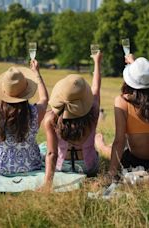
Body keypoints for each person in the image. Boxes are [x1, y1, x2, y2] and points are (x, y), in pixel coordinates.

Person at [95, 54, 149, 178]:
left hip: (138, 161)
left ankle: (102, 146)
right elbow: (147, 84)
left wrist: (111, 173)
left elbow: (119, 141)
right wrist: (137, 67)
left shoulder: (122, 102)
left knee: (116, 147)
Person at [41, 52, 103, 190]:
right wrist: (97, 63)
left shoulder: (51, 118)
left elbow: (52, 153)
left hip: (61, 167)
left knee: (44, 148)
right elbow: (96, 89)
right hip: (89, 167)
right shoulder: (93, 111)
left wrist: (47, 184)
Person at [0, 60, 48, 175]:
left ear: (4, 91)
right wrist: (37, 73)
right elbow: (44, 99)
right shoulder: (36, 112)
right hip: (28, 164)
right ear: (26, 91)